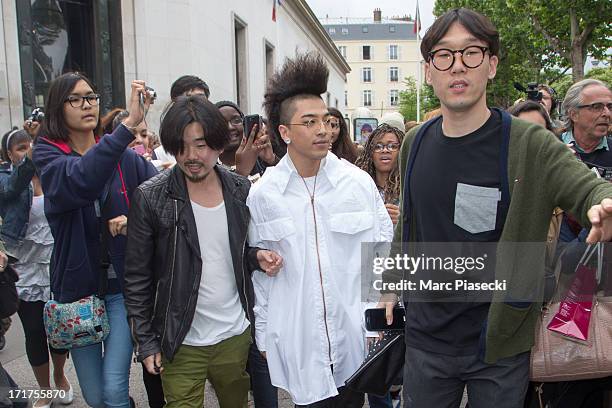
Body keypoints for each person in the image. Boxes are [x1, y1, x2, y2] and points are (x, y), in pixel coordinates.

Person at [378, 8, 612, 408]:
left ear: (491, 64)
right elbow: (409, 226)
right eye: (444, 55)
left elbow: (590, 188)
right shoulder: (414, 143)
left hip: (500, 342)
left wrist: (603, 205)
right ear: (429, 69)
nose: (458, 67)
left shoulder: (530, 145)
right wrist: (389, 284)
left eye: (471, 53)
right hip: (426, 341)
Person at [248, 52, 394, 407]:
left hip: (354, 340)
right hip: (301, 344)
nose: (322, 130)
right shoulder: (264, 194)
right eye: (309, 122)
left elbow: (383, 250)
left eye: (326, 121)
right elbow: (262, 274)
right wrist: (266, 335)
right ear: (284, 132)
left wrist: (380, 315)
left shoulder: (357, 184)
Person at [123, 94, 282, 408]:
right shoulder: (151, 197)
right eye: (181, 146)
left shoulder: (240, 190)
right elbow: (137, 278)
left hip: (235, 337)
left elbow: (230, 252)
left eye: (201, 145)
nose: (191, 155)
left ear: (219, 145)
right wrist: (146, 341)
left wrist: (255, 257)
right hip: (179, 341)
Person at [32, 73, 157, 408]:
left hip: (121, 291)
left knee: (115, 391)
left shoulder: (125, 158)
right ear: (59, 108)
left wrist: (136, 222)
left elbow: (163, 196)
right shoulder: (48, 156)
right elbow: (80, 181)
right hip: (77, 294)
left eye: (91, 96)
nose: (87, 104)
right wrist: (127, 127)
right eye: (76, 99)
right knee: (95, 396)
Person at [0, 129, 72, 408]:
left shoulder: (52, 174)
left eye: (30, 146)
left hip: (57, 264)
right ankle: (45, 389)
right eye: (20, 148)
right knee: (34, 332)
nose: (27, 151)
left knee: (58, 330)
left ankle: (60, 376)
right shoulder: (7, 179)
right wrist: (28, 161)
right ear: (9, 154)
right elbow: (13, 186)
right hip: (26, 269)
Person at [215, 101, 278, 179]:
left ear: (245, 124)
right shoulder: (209, 169)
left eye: (236, 121)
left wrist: (272, 161)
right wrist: (241, 173)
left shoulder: (260, 160)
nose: (230, 127)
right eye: (222, 122)